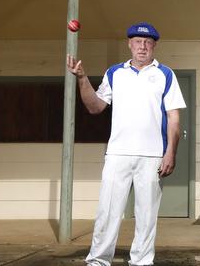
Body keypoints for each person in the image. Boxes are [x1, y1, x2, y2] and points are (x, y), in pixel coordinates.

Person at [66, 22, 186, 266]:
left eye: (147, 42)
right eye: (137, 42)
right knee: (107, 211)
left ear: (154, 45)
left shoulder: (166, 74)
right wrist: (82, 78)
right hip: (118, 154)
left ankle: (141, 261)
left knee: (146, 215)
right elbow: (95, 107)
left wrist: (170, 153)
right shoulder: (114, 73)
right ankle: (98, 260)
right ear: (129, 44)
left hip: (152, 156)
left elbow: (174, 117)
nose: (142, 46)